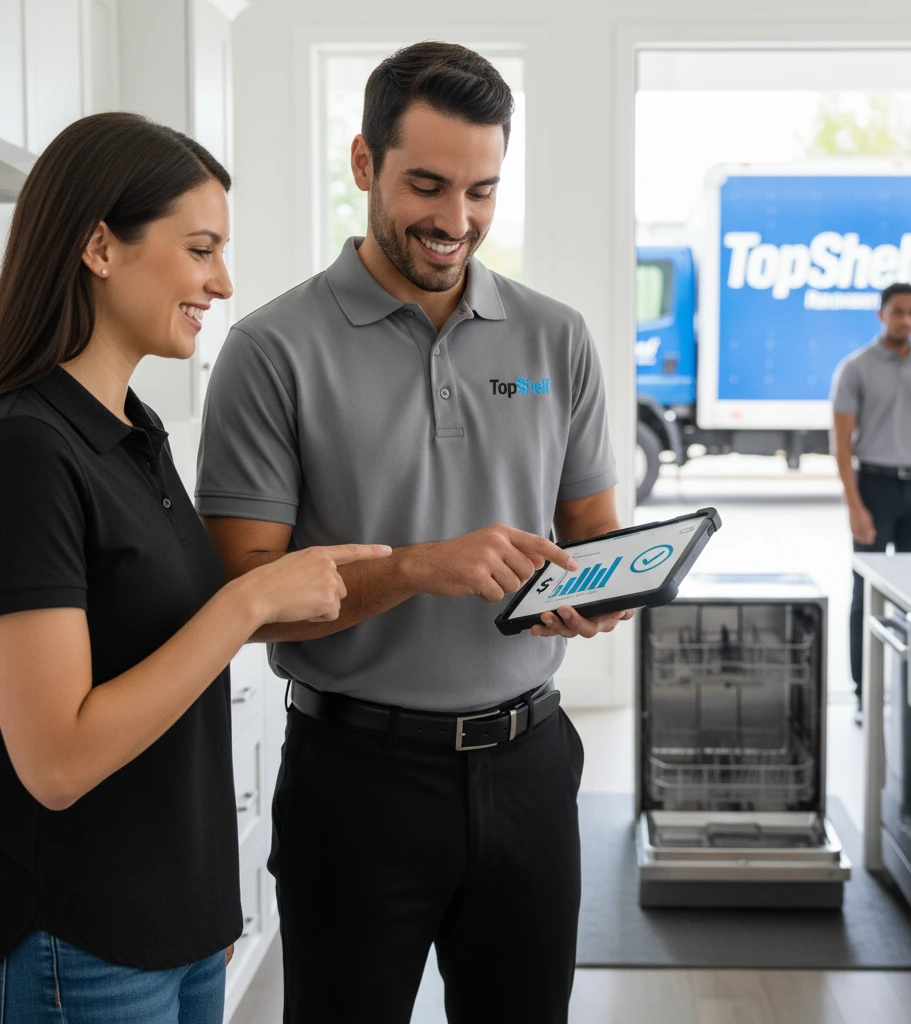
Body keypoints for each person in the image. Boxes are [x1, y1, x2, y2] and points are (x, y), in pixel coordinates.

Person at [196, 41, 629, 1024]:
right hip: (356, 781)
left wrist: (597, 590)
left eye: (481, 190)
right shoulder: (270, 351)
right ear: (363, 164)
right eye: (426, 186)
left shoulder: (551, 341)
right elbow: (242, 602)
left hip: (530, 766)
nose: (455, 221)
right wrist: (415, 568)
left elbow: (592, 529)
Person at [0, 112, 391, 1023]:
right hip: (85, 942)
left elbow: (172, 690)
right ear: (100, 246)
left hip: (178, 929)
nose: (222, 281)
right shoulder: (29, 450)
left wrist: (209, 900)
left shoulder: (135, 429)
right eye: (201, 248)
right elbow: (55, 759)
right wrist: (247, 600)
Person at [831, 281, 911, 725]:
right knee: (864, 594)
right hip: (874, 488)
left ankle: (910, 696)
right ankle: (865, 696)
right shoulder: (856, 369)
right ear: (881, 315)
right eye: (897, 311)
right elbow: (841, 445)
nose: (906, 319)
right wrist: (854, 506)